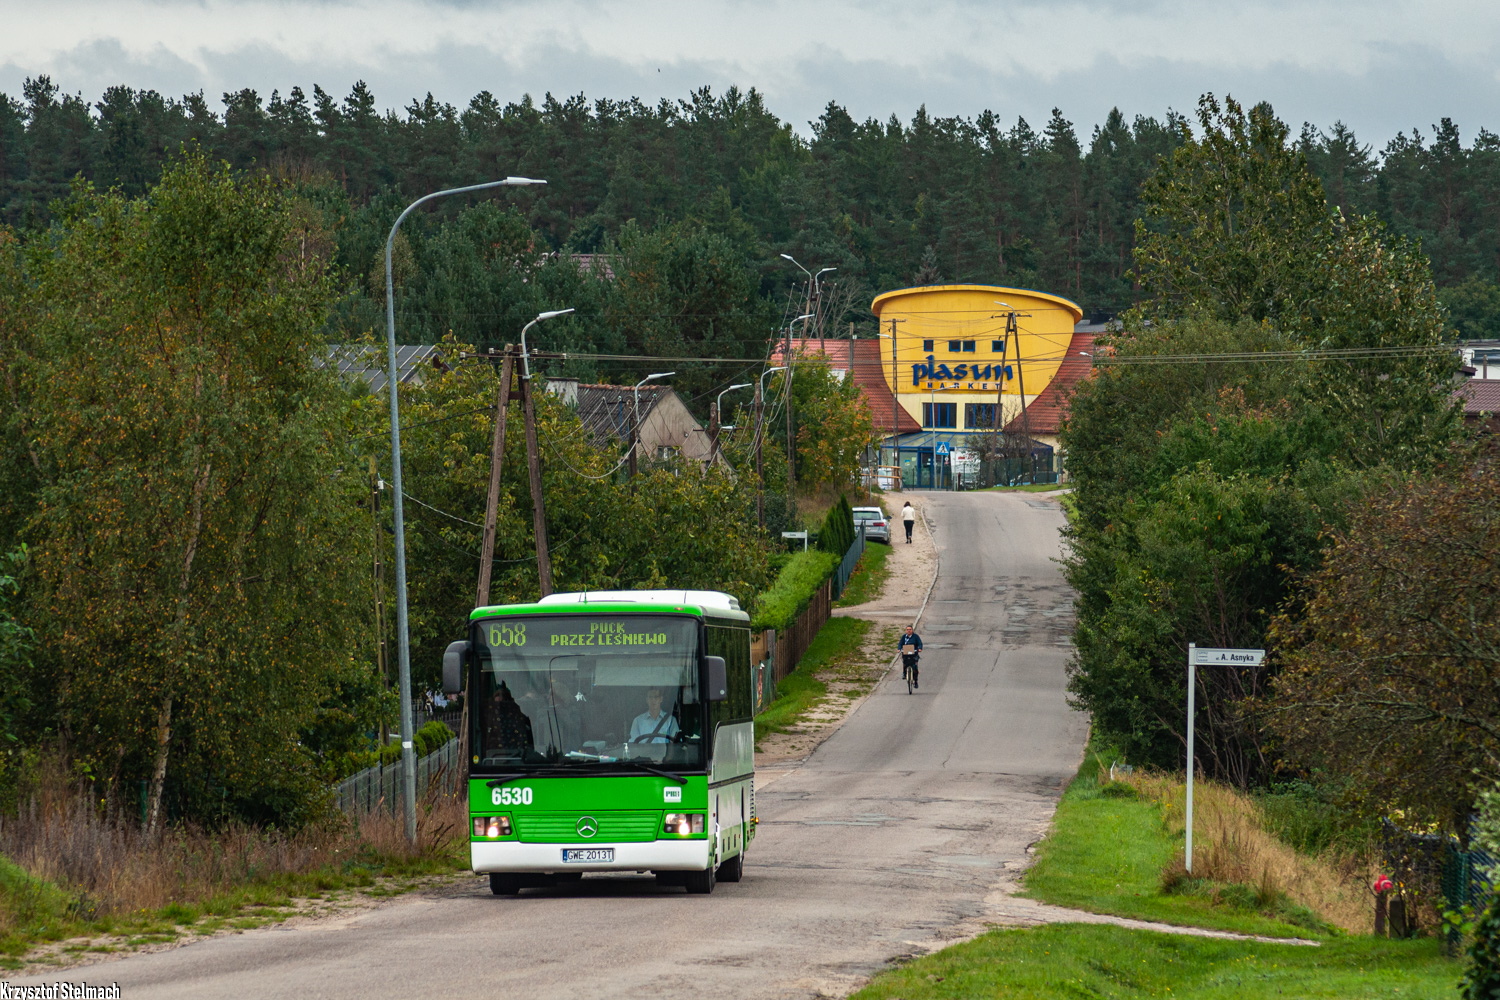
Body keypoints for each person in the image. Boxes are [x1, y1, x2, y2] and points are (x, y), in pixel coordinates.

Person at [484, 681, 534, 757]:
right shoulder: (489, 719)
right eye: (496, 705)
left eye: (503, 704)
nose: (499, 709)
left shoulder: (518, 718)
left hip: (518, 757)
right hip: (494, 758)